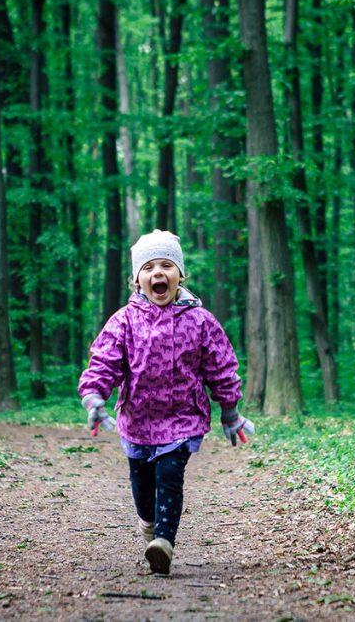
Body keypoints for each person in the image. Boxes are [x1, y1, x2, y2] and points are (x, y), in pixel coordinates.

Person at [78, 230, 255, 575]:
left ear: (179, 276)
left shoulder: (200, 321)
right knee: (143, 488)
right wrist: (94, 396)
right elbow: (104, 361)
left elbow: (220, 366)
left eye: (166, 265)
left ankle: (164, 542)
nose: (158, 273)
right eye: (149, 267)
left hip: (182, 420)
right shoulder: (124, 321)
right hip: (137, 421)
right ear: (137, 280)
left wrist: (230, 409)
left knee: (170, 476)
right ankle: (149, 523)